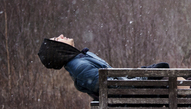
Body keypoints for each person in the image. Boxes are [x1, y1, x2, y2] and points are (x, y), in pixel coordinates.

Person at [37, 34, 169, 100]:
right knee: (170, 81)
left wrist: (143, 72)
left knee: (169, 75)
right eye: (57, 39)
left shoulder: (80, 61)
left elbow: (117, 82)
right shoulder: (80, 68)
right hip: (129, 104)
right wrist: (145, 78)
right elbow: (115, 88)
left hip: (129, 101)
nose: (61, 35)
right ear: (58, 49)